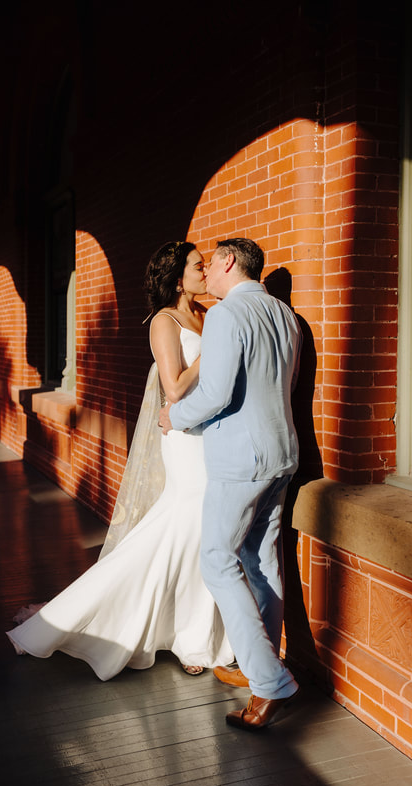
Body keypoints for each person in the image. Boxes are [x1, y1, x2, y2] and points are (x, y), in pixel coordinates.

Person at [6, 241, 233, 679]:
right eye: (198, 267)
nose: (205, 273)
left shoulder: (206, 315)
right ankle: (77, 616)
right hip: (185, 439)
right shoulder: (164, 323)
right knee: (185, 527)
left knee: (199, 532)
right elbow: (174, 389)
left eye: (205, 266)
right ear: (176, 275)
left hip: (212, 435)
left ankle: (191, 634)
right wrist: (212, 354)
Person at [159, 237, 302, 730]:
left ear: (227, 262)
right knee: (262, 562)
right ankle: (256, 665)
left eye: (210, 262)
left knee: (217, 561)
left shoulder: (223, 316)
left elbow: (216, 393)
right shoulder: (286, 315)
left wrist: (174, 417)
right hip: (283, 454)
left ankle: (270, 682)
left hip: (242, 458)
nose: (206, 273)